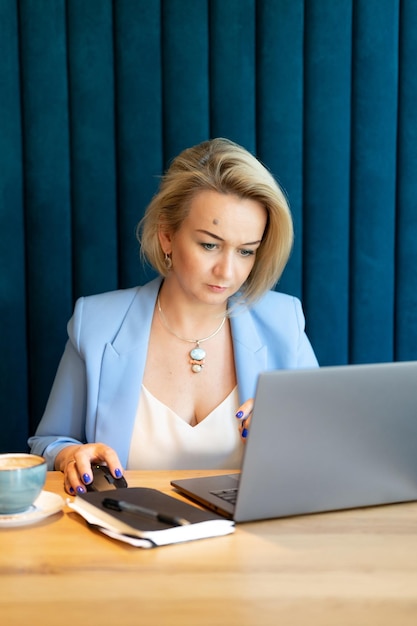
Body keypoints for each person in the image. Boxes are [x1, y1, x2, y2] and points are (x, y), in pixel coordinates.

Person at [28, 137, 318, 495]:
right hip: (134, 539)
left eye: (246, 251)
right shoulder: (97, 323)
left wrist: (293, 433)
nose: (227, 272)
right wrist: (71, 455)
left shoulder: (284, 322)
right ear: (167, 235)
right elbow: (48, 441)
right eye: (210, 244)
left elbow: (326, 448)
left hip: (253, 542)